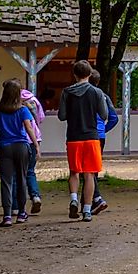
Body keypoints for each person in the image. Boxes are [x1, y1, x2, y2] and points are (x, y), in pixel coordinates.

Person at [0, 79, 39, 227]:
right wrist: (36, 146)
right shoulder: (22, 110)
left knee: (6, 182)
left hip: (4, 147)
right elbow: (29, 128)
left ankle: (7, 215)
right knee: (21, 179)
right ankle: (21, 213)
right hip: (21, 146)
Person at [58, 60, 108, 222]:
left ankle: (73, 198)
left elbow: (62, 116)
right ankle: (86, 210)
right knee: (89, 174)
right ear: (89, 74)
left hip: (73, 137)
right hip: (92, 137)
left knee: (74, 172)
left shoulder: (66, 92)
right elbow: (104, 114)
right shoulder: (96, 93)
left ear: (74, 74)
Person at [10, 87, 45, 215]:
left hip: (19, 140)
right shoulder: (33, 100)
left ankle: (14, 206)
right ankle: (35, 196)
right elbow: (40, 117)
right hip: (35, 138)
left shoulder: (11, 103)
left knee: (14, 174)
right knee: (30, 171)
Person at [88, 70, 118, 214]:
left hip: (87, 134)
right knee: (94, 168)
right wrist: (104, 129)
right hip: (100, 135)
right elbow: (114, 118)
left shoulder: (85, 95)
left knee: (87, 170)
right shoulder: (104, 97)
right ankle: (90, 200)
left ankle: (96, 197)